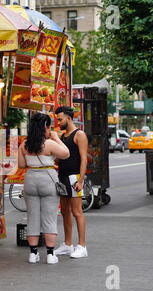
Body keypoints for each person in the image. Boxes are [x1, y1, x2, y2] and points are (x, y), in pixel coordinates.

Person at [18, 112, 70, 264]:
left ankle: (33, 254)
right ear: (45, 127)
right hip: (47, 179)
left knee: (32, 218)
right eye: (49, 127)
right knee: (49, 218)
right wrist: (56, 138)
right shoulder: (49, 144)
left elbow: (21, 165)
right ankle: (50, 254)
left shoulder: (24, 144)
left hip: (30, 180)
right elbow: (66, 154)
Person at [54, 106, 89, 258]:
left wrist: (81, 180)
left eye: (60, 119)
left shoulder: (79, 135)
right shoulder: (62, 136)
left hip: (74, 177)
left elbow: (84, 158)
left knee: (77, 212)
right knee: (64, 211)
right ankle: (68, 244)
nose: (58, 122)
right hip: (62, 177)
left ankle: (82, 246)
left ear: (68, 118)